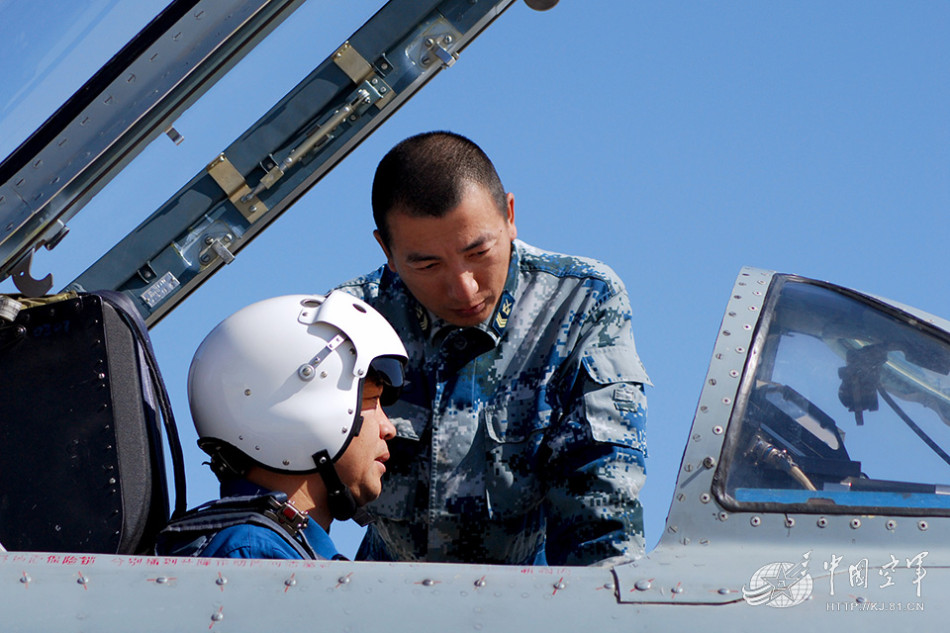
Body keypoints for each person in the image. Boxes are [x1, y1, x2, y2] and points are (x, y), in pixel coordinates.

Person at [336, 131, 650, 566]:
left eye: (479, 252)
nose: (464, 289)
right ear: (387, 250)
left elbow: (602, 506)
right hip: (382, 591)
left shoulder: (579, 303)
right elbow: (297, 491)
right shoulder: (351, 322)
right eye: (428, 264)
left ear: (510, 215)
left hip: (535, 592)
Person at [154, 291, 407, 560]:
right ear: (304, 411)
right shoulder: (255, 554)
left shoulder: (274, 551)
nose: (388, 428)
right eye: (371, 400)